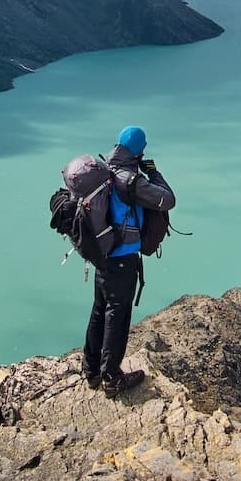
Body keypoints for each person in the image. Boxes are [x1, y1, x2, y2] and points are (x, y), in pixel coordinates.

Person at [83, 124, 175, 394]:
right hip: (122, 260)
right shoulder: (131, 180)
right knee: (118, 316)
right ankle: (111, 377)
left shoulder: (103, 171)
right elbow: (167, 200)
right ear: (138, 150)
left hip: (102, 256)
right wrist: (153, 171)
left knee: (99, 310)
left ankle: (91, 371)